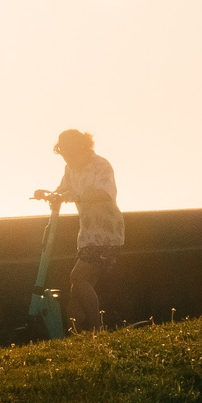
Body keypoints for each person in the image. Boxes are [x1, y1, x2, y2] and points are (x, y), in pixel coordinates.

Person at [35, 128, 121, 332]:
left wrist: (78, 196)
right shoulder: (70, 169)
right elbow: (63, 190)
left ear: (78, 148)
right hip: (87, 235)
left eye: (67, 152)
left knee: (78, 278)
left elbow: (105, 193)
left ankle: (97, 330)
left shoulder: (100, 165)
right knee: (77, 291)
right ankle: (76, 332)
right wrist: (48, 193)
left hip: (106, 233)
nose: (65, 157)